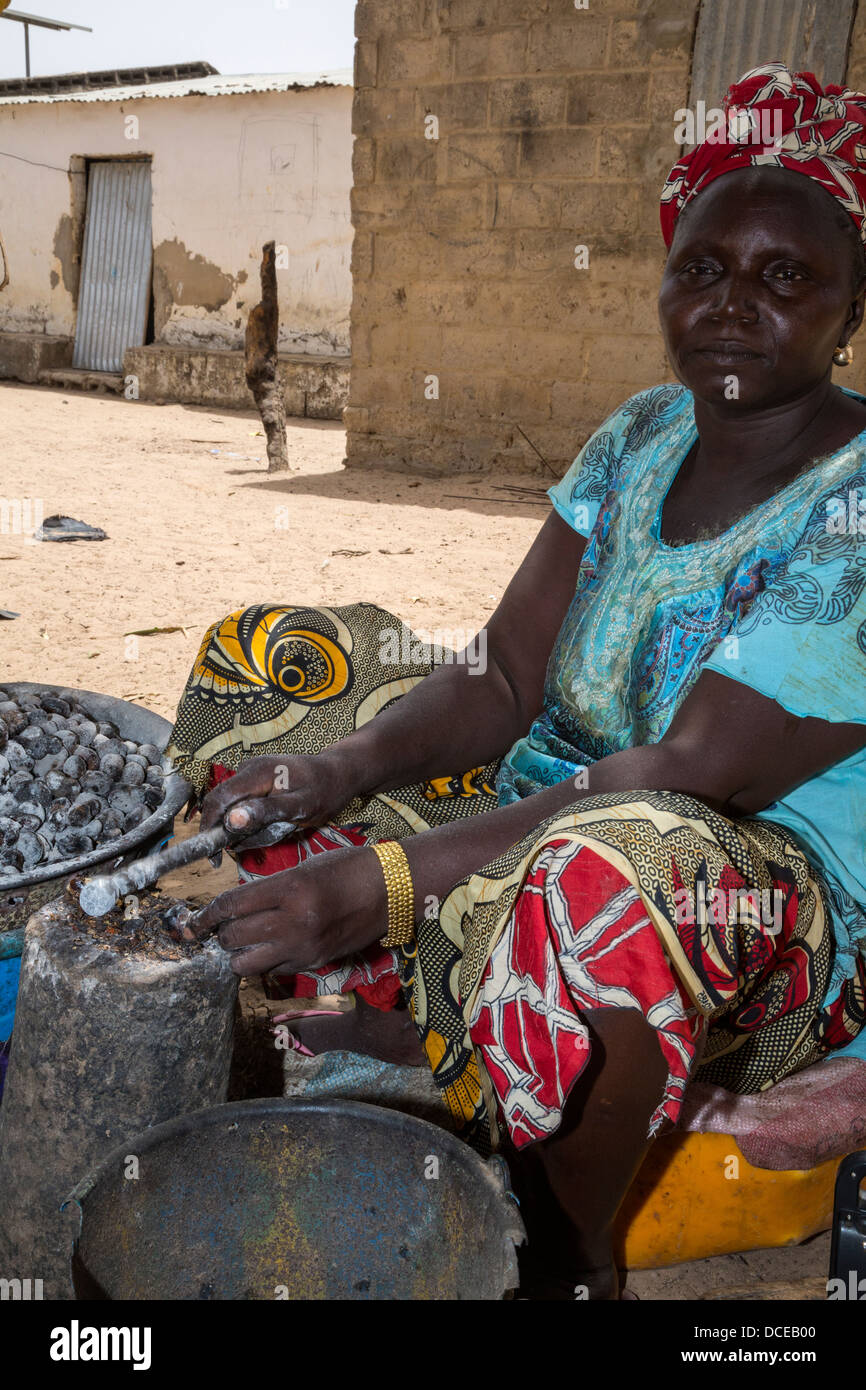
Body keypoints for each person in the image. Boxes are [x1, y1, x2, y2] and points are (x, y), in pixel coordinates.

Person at [166, 63, 866, 1299]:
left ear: (847, 304)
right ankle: (457, 1044)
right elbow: (498, 675)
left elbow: (688, 774)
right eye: (700, 268)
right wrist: (335, 770)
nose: (728, 305)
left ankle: (566, 1252)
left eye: (782, 277)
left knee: (598, 883)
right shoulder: (642, 433)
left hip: (752, 919)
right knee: (262, 678)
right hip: (538, 805)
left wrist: (381, 884)